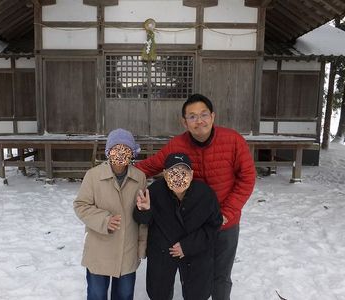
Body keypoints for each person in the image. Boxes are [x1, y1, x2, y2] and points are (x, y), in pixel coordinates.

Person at [135, 93, 256, 300]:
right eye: (192, 116)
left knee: (220, 275)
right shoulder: (177, 145)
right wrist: (116, 173)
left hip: (226, 222)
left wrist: (227, 212)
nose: (199, 121)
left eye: (203, 114)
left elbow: (247, 177)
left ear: (213, 116)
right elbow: (151, 165)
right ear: (184, 122)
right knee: (195, 273)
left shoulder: (233, 140)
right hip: (193, 226)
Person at [134, 153, 223, 300]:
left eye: (183, 173)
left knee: (198, 293)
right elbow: (142, 220)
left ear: (192, 174)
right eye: (173, 173)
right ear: (164, 174)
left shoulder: (205, 194)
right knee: (159, 292)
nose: (178, 178)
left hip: (196, 252)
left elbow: (214, 225)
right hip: (162, 251)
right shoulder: (154, 191)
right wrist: (144, 211)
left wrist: (187, 246)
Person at [73, 128, 147, 300]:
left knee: (125, 294)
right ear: (108, 152)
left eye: (126, 150)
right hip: (100, 247)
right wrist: (104, 220)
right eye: (116, 149)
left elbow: (142, 218)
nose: (120, 154)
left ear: (132, 153)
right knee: (97, 294)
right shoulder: (93, 176)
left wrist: (141, 246)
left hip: (127, 249)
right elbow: (81, 205)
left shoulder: (140, 177)